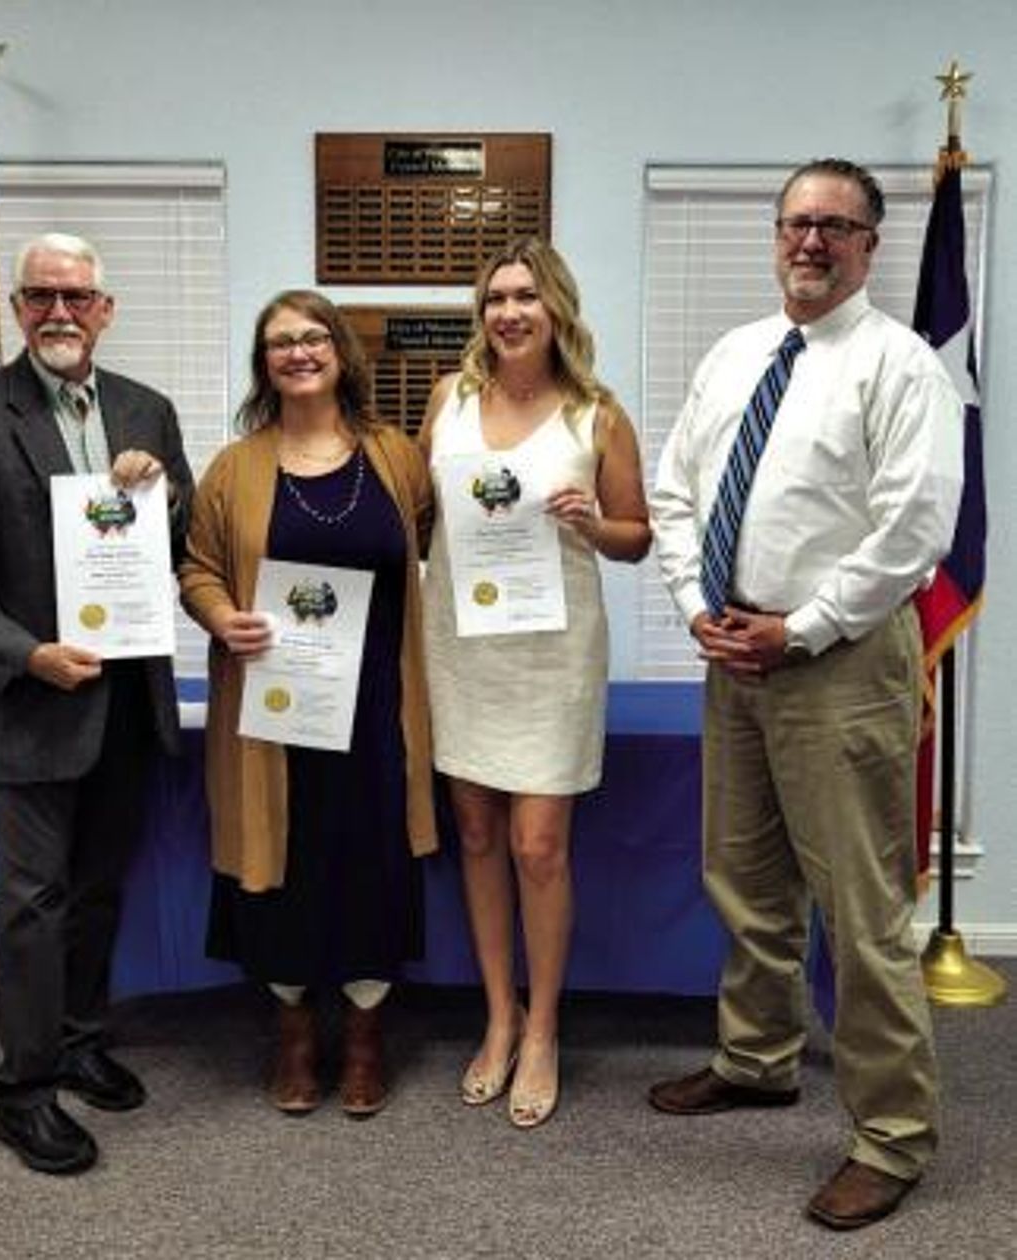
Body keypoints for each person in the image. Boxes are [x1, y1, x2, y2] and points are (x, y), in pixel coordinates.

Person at [648, 159, 964, 1229]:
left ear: (873, 245)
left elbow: (912, 530)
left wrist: (805, 627)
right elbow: (677, 490)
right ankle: (758, 1057)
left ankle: (893, 1136)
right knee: (744, 878)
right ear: (774, 235)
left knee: (862, 914)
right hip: (734, 649)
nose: (811, 242)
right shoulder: (737, 355)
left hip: (840, 662)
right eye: (796, 222)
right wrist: (698, 603)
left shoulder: (901, 366)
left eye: (836, 225)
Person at [0, 232, 194, 1174]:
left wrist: (166, 491)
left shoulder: (147, 409)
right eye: (41, 296)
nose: (60, 312)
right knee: (31, 900)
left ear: (106, 310)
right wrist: (26, 655)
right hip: (33, 703)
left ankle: (76, 1040)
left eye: (79, 296)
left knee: (100, 887)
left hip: (127, 700)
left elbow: (168, 537)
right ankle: (23, 1089)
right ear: (21, 309)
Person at [179, 290, 437, 1117]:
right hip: (274, 708)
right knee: (278, 868)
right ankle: (293, 1031)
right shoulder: (234, 468)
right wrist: (221, 616)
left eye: (313, 336)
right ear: (265, 363)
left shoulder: (395, 456)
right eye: (280, 342)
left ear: (340, 353)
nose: (298, 351)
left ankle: (363, 1036)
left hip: (376, 709)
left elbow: (433, 541)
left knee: (371, 862)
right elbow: (198, 568)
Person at [420, 238, 651, 1128]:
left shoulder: (597, 414)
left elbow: (637, 535)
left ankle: (546, 1027)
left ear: (557, 307)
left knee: (538, 846)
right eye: (493, 299)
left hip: (552, 649)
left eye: (525, 297)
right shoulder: (450, 399)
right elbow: (417, 510)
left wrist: (594, 522)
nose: (508, 313)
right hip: (462, 640)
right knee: (474, 833)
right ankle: (498, 1015)